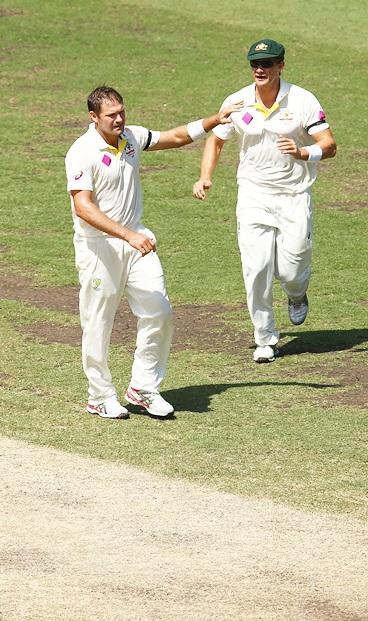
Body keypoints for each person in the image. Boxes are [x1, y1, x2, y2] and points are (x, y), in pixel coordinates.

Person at [65, 86, 240, 419]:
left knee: (159, 310)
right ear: (93, 117)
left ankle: (143, 387)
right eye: (111, 115)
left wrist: (214, 120)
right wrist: (127, 234)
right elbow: (83, 207)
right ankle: (99, 395)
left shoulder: (131, 137)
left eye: (121, 111)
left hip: (137, 242)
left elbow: (173, 137)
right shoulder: (82, 151)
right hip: (99, 247)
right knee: (98, 323)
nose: (119, 119)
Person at [192, 38, 337, 363]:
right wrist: (205, 176)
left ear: (281, 65)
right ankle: (265, 338)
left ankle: (297, 294)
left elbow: (329, 145)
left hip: (294, 196)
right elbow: (215, 141)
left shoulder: (302, 100)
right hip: (253, 195)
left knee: (291, 269)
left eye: (268, 63)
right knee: (256, 268)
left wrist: (302, 152)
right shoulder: (238, 101)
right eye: (256, 64)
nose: (261, 69)